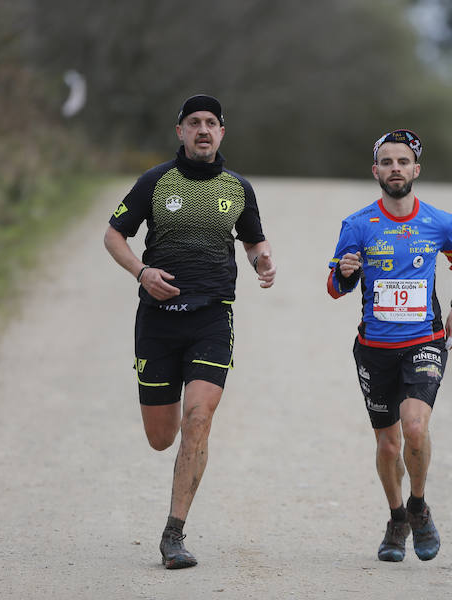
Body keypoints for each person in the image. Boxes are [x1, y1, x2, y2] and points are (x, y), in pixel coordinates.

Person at [104, 94, 276, 569]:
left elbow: (253, 238)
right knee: (162, 437)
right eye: (194, 122)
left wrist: (262, 261)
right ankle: (189, 452)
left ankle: (173, 534)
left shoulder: (237, 187)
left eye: (211, 123)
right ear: (179, 131)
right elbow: (113, 235)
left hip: (211, 318)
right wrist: (142, 273)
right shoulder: (155, 182)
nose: (203, 130)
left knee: (197, 420)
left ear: (222, 133)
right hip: (158, 322)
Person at [326, 129, 452, 562]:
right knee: (388, 445)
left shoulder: (439, 222)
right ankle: (396, 519)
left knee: (414, 427)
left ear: (416, 170)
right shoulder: (357, 225)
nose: (395, 169)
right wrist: (347, 272)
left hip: (424, 341)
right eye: (387, 163)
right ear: (376, 171)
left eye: (402, 162)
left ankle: (419, 506)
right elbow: (335, 287)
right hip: (374, 348)